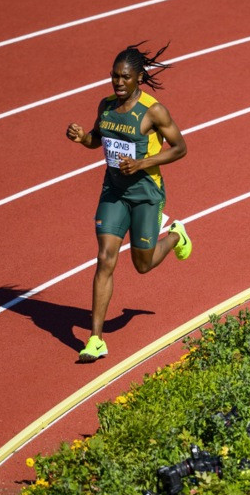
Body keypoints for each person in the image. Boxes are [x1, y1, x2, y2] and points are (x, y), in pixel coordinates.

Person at [66, 42, 191, 363]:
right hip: (114, 192)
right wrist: (83, 138)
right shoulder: (105, 106)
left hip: (146, 193)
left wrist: (143, 163)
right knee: (105, 258)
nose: (118, 83)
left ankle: (176, 234)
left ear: (138, 78)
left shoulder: (154, 111)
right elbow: (98, 139)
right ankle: (95, 339)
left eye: (124, 77)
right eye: (114, 77)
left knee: (142, 265)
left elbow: (180, 148)